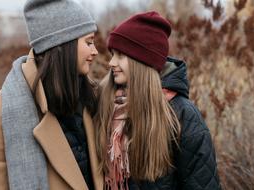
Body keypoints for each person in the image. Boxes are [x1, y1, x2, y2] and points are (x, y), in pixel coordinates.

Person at [0, 0, 103, 189]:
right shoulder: (0, 111)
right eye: (89, 42)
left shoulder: (92, 97)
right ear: (63, 44)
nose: (95, 51)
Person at [94, 11, 221, 189]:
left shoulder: (182, 116)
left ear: (142, 62)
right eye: (112, 54)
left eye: (120, 56)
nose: (111, 63)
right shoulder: (105, 104)